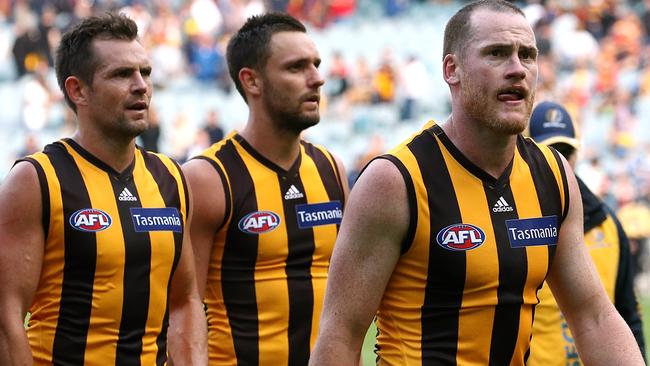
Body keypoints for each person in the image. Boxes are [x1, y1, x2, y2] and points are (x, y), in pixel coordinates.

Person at [309, 1, 646, 365]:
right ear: (452, 70)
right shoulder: (395, 180)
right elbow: (341, 335)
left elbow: (593, 315)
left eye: (527, 55)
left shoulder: (553, 174)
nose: (517, 69)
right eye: (497, 54)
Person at [0, 13, 207, 365]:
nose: (141, 85)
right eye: (122, 74)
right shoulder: (36, 179)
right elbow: (6, 316)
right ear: (77, 90)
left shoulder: (170, 178)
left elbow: (185, 299)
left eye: (145, 72)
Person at [182, 12, 348, 366]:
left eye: (316, 65)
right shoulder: (208, 177)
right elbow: (183, 304)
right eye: (296, 67)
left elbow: (346, 306)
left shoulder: (330, 168)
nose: (317, 78)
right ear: (252, 81)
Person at [527, 100, 646, 365]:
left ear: (577, 154)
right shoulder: (513, 223)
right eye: (549, 151)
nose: (559, 162)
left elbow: (628, 315)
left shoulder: (609, 225)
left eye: (564, 151)